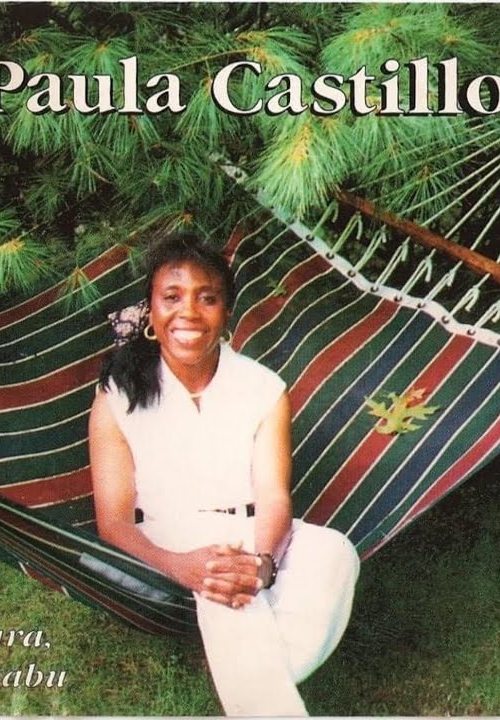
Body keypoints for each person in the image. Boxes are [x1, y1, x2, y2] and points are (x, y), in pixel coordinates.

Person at [88, 231, 361, 716]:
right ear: (151, 311)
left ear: (226, 312)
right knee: (223, 577)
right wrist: (180, 566)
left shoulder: (263, 388)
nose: (189, 312)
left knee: (335, 551)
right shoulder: (117, 396)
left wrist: (262, 564)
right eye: (172, 297)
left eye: (207, 298)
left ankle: (254, 671)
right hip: (169, 537)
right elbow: (113, 523)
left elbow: (273, 496)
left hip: (251, 531)